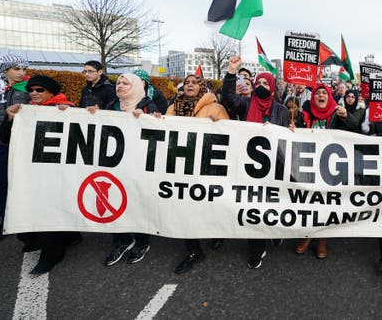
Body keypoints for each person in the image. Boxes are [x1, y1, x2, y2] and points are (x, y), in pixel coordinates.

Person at [0, 75, 79, 274]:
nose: (34, 93)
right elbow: (6, 138)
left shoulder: (68, 109)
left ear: (52, 92)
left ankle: (52, 253)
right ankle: (67, 237)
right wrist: (10, 119)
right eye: (31, 90)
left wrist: (81, 114)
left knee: (51, 210)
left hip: (57, 173)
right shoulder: (25, 111)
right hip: (33, 171)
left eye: (39, 90)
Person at [221, 56, 290, 269]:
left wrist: (289, 131)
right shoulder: (246, 103)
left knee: (272, 203)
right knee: (253, 205)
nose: (260, 86)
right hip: (248, 165)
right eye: (257, 82)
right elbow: (228, 97)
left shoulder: (282, 110)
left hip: (273, 166)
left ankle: (274, 230)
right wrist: (232, 72)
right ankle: (256, 246)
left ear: (271, 88)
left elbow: (287, 138)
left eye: (264, 83)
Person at [89, 73, 161, 266]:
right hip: (115, 164)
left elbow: (159, 132)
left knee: (139, 202)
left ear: (137, 86)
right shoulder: (112, 105)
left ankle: (142, 242)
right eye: (118, 82)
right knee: (114, 200)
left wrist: (149, 119)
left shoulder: (148, 105)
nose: (119, 85)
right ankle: (121, 240)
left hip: (140, 166)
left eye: (125, 83)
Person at [165, 74, 229, 273]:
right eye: (187, 82)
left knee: (209, 204)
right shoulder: (172, 107)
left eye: (195, 82)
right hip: (181, 165)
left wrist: (218, 125)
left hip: (206, 166)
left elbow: (230, 135)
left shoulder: (215, 107)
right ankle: (193, 250)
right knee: (185, 207)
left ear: (202, 87)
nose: (189, 85)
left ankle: (217, 231)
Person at [293, 83, 359, 259]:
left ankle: (322, 239)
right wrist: (291, 129)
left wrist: (346, 116)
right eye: (317, 93)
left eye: (324, 93)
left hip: (329, 165)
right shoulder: (304, 113)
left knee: (325, 203)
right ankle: (307, 236)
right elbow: (295, 133)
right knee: (308, 202)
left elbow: (355, 127)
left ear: (329, 96)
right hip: (308, 163)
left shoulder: (336, 112)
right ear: (313, 97)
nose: (321, 95)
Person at [0, 53, 30, 239]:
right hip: (2, 141)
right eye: (17, 69)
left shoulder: (28, 89)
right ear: (5, 70)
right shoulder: (4, 89)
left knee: (8, 182)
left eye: (24, 69)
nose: (21, 73)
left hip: (15, 143)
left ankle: (9, 220)